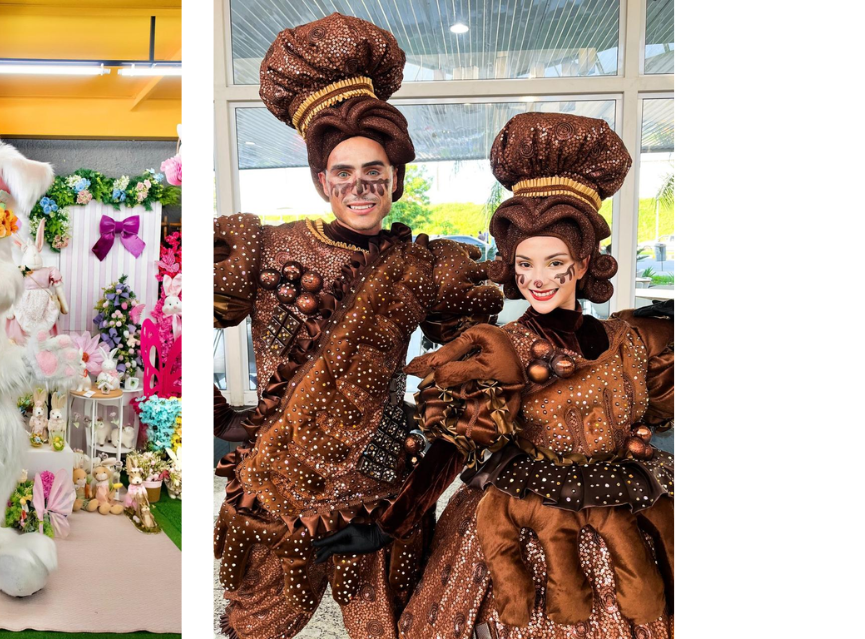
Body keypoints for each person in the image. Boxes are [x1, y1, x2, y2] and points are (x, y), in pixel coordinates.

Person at [213, 13, 505, 639]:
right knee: (254, 626)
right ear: (321, 180)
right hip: (276, 488)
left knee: (386, 628)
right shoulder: (263, 249)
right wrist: (220, 422)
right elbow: (184, 326)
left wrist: (422, 481)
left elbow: (470, 373)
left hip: (381, 490)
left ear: (396, 179)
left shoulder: (426, 267)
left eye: (374, 171)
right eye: (343, 173)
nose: (360, 186)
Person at [379, 112, 675, 638]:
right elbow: (454, 449)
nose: (537, 278)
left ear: (583, 263)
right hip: (520, 508)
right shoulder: (500, 348)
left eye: (553, 261)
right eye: (524, 263)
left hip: (624, 505)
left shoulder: (633, 341)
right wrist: (395, 521)